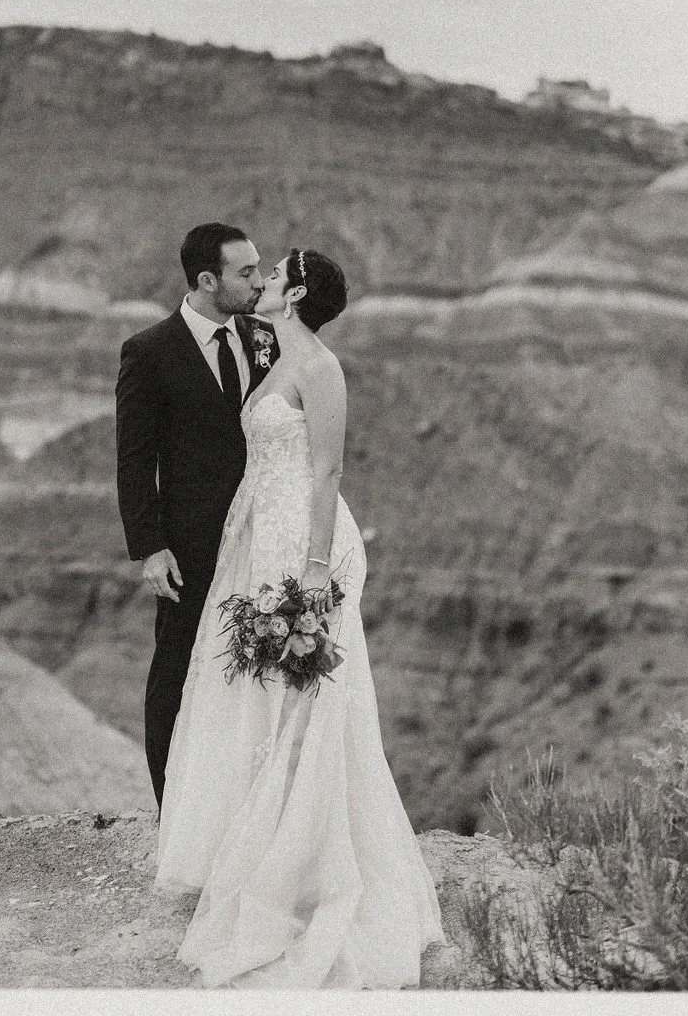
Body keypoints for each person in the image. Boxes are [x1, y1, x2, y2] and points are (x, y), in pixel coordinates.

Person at [155, 248, 445, 989]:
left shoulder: (320, 368)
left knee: (308, 705)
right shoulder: (272, 355)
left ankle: (303, 867)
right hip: (259, 540)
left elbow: (328, 470)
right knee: (256, 696)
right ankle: (251, 849)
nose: (263, 283)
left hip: (307, 549)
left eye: (275, 274)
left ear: (299, 292)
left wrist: (314, 571)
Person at [115, 222, 278, 810]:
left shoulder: (265, 340)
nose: (259, 282)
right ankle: (172, 813)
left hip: (262, 539)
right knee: (176, 676)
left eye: (260, 270)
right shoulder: (149, 351)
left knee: (255, 674)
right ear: (207, 280)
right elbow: (134, 460)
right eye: (246, 273)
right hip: (188, 548)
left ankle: (239, 811)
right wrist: (150, 547)